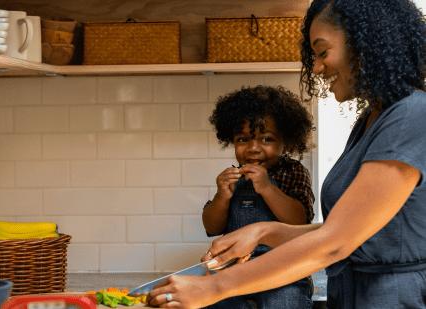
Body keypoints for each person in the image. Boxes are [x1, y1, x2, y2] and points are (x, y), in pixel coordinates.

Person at [146, 0, 426, 308]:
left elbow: (336, 243)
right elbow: (350, 230)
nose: (317, 67)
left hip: (395, 298)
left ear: (365, 44)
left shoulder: (412, 115)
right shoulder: (372, 119)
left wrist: (214, 287)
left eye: (322, 52)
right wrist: (265, 231)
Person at [202, 85, 315, 309]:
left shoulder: (294, 172)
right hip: (235, 269)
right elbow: (212, 227)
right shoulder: (234, 178)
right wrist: (221, 197)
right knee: (214, 303)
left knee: (284, 303)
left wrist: (267, 188)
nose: (253, 149)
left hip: (284, 270)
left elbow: (300, 221)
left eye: (266, 140)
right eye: (243, 140)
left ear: (288, 143)